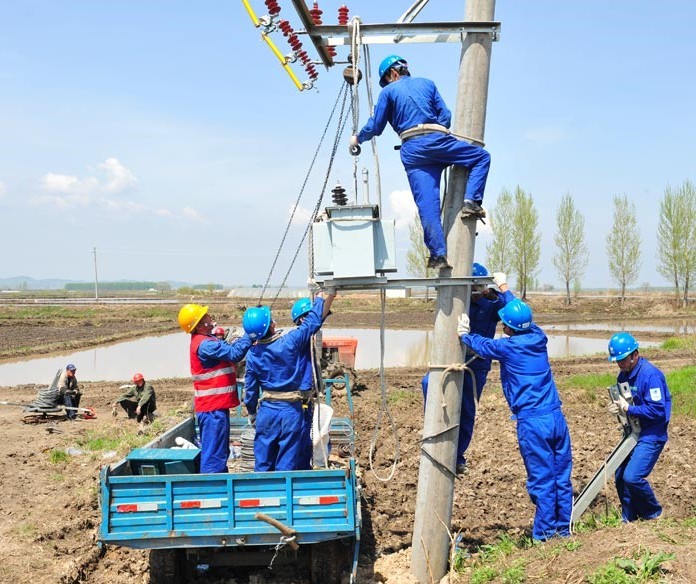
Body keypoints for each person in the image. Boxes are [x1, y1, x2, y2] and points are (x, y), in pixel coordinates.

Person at [350, 54, 491, 270]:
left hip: (414, 152)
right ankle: (471, 201)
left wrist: (358, 138)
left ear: (392, 73)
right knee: (481, 157)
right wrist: (436, 130)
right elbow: (445, 116)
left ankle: (438, 255)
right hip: (438, 141)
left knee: (428, 206)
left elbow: (376, 126)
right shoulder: (428, 84)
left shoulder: (388, 92)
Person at [457, 286, 573, 542]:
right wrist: (505, 290)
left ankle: (544, 537)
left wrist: (465, 335)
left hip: (533, 422)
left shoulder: (508, 348)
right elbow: (523, 318)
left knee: (542, 480)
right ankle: (564, 531)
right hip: (556, 417)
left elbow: (484, 345)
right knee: (561, 477)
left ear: (508, 328)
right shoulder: (538, 337)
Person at [422, 264, 509, 474]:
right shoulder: (456, 302)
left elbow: (515, 311)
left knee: (467, 409)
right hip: (450, 359)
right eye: (473, 288)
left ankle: (457, 456)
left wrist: (499, 289)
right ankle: (435, 438)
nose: (475, 292)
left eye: (479, 287)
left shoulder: (492, 305)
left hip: (476, 364)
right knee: (428, 383)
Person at [243, 289, 336, 472]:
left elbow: (250, 390)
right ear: (271, 325)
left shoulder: (253, 354)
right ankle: (284, 490)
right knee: (287, 463)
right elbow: (312, 323)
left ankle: (261, 489)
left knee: (263, 462)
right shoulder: (290, 342)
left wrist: (252, 413)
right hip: (290, 410)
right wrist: (319, 299)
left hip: (267, 411)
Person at [178, 304, 252, 473]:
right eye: (205, 316)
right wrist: (250, 334)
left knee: (219, 452)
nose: (210, 317)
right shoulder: (205, 345)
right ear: (199, 325)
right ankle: (212, 487)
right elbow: (234, 354)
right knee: (214, 456)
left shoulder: (207, 340)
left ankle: (219, 483)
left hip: (214, 407)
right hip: (212, 409)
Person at [607, 332, 671, 522]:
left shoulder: (651, 376)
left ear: (635, 354)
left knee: (633, 477)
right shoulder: (623, 376)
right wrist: (619, 409)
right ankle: (630, 517)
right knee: (620, 475)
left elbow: (657, 411)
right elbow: (625, 401)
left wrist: (629, 408)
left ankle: (654, 513)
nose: (619, 364)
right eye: (617, 361)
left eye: (622, 359)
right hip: (634, 431)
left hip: (652, 433)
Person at [291, 296, 334, 470]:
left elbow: (320, 317)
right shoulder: (300, 339)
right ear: (303, 319)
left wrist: (330, 295)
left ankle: (303, 468)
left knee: (305, 436)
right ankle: (299, 470)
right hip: (300, 396)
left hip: (307, 396)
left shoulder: (307, 337)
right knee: (301, 437)